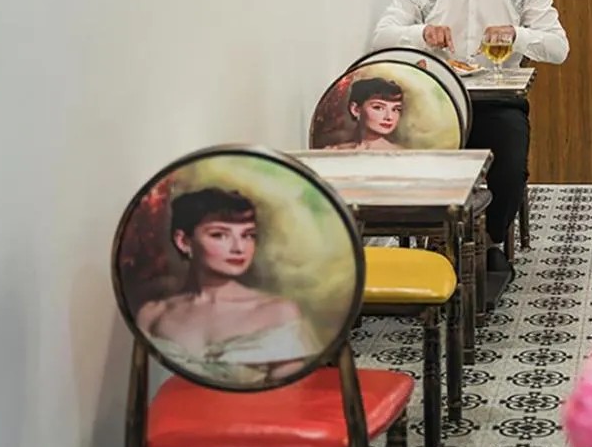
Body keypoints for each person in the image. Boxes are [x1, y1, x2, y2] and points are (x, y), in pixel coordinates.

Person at [371, 0, 568, 276]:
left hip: (498, 99)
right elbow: (382, 35)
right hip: (436, 98)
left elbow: (559, 47)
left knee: (508, 161)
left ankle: (488, 242)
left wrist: (517, 34)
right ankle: (438, 236)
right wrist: (421, 33)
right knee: (421, 155)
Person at [134, 188, 322, 386]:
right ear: (184, 241)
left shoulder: (279, 312)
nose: (239, 248)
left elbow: (289, 400)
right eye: (219, 235)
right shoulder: (152, 314)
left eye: (248, 235)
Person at [322, 77, 406, 151]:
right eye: (378, 107)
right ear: (355, 109)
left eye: (395, 109)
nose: (389, 117)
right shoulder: (333, 152)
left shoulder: (403, 155)